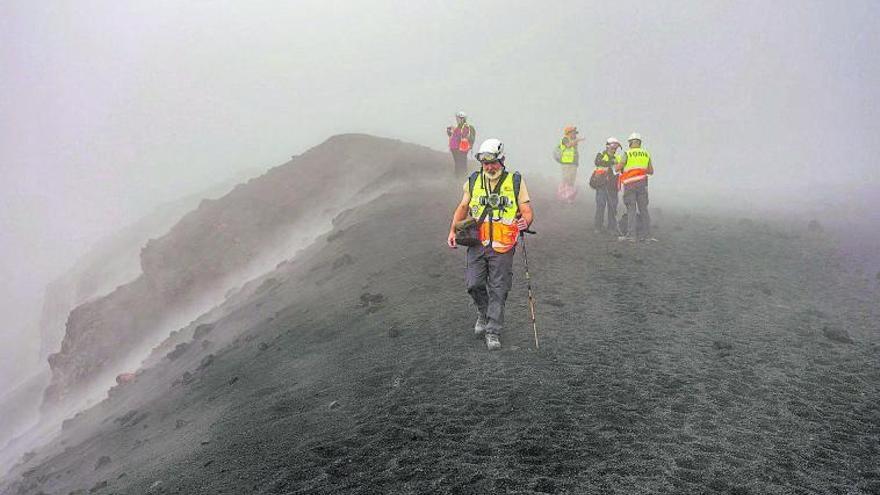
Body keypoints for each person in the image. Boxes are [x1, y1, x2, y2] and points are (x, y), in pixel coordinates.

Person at [447, 138, 534, 351]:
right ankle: (484, 313)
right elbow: (463, 206)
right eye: (485, 163)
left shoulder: (515, 181)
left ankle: (493, 330)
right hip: (477, 242)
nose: (489, 167)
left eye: (493, 162)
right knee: (473, 284)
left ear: (502, 160)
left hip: (504, 245)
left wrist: (526, 221)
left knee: (499, 288)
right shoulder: (474, 181)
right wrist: (452, 230)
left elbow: (527, 211)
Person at [615, 132, 655, 242]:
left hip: (630, 185)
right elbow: (651, 171)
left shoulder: (627, 154)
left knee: (631, 210)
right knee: (644, 210)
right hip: (642, 185)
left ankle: (631, 236)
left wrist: (617, 165)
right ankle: (647, 236)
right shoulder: (646, 154)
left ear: (631, 142)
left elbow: (617, 168)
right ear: (639, 142)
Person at [591, 137, 622, 234]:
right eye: (613, 147)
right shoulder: (601, 155)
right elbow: (598, 162)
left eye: (616, 148)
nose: (614, 150)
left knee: (613, 208)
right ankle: (598, 227)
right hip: (602, 185)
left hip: (613, 186)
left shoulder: (618, 158)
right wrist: (611, 163)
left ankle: (611, 228)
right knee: (600, 206)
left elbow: (622, 168)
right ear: (608, 146)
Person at [553, 125, 583, 203]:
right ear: (568, 133)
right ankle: (561, 193)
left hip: (573, 163)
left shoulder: (573, 141)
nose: (575, 134)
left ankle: (569, 196)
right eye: (573, 133)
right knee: (566, 179)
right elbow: (568, 145)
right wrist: (577, 140)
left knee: (571, 180)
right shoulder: (565, 139)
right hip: (566, 163)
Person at [446, 111, 476, 177]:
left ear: (461, 118)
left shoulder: (464, 127)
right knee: (459, 162)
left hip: (460, 148)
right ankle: (460, 175)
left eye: (458, 118)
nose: (457, 119)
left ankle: (460, 175)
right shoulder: (460, 127)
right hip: (458, 148)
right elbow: (453, 136)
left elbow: (461, 136)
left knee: (460, 162)